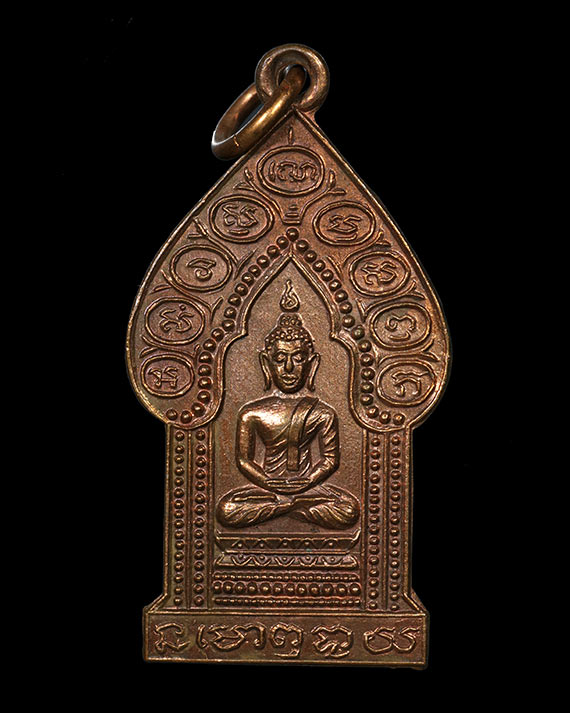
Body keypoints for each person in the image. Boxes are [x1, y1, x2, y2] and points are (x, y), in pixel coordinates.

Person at [217, 281, 359, 529]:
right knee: (226, 510)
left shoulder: (323, 413)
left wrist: (307, 481)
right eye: (280, 358)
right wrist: (267, 482)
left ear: (312, 363)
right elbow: (244, 461)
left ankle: (288, 506)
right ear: (266, 363)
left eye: (298, 358)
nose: (289, 368)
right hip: (266, 489)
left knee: (348, 509)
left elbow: (330, 460)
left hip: (309, 489)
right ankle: (290, 507)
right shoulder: (252, 413)